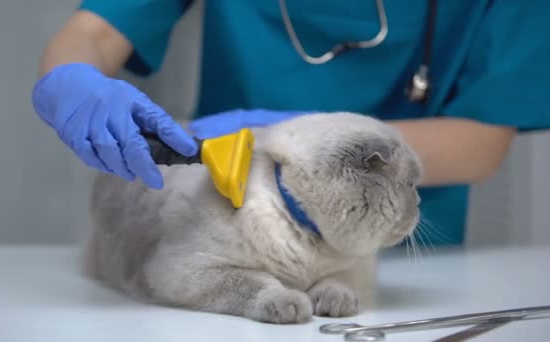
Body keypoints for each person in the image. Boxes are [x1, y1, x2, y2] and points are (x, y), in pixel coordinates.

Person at [31, 1, 550, 245]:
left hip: (405, 260)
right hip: (227, 233)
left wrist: (297, 140)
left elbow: (482, 140)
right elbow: (94, 32)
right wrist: (73, 79)